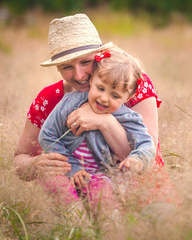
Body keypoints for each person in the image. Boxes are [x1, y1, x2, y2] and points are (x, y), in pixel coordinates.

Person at [13, 13, 163, 183]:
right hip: (77, 192)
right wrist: (34, 165)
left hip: (140, 191)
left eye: (85, 62)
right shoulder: (50, 98)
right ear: (58, 69)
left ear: (100, 56)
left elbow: (148, 157)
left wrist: (104, 121)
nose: (79, 75)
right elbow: (20, 157)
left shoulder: (129, 84)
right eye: (67, 66)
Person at [38, 47, 156, 209]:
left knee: (103, 194)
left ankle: (108, 230)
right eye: (100, 88)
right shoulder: (70, 103)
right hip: (69, 172)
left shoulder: (129, 118)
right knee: (56, 184)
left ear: (128, 97)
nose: (104, 98)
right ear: (92, 79)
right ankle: (77, 225)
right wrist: (72, 168)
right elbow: (47, 135)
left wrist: (137, 159)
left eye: (115, 96)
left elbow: (147, 145)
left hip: (102, 177)